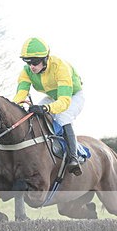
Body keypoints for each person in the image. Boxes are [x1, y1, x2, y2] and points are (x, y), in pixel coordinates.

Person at [12, 37, 86, 175]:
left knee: (63, 116)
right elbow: (21, 94)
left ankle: (73, 157)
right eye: (27, 62)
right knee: (33, 115)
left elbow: (64, 101)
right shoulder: (27, 71)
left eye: (35, 62)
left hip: (73, 96)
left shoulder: (60, 67)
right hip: (52, 97)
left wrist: (46, 108)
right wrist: (12, 108)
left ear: (46, 58)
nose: (32, 66)